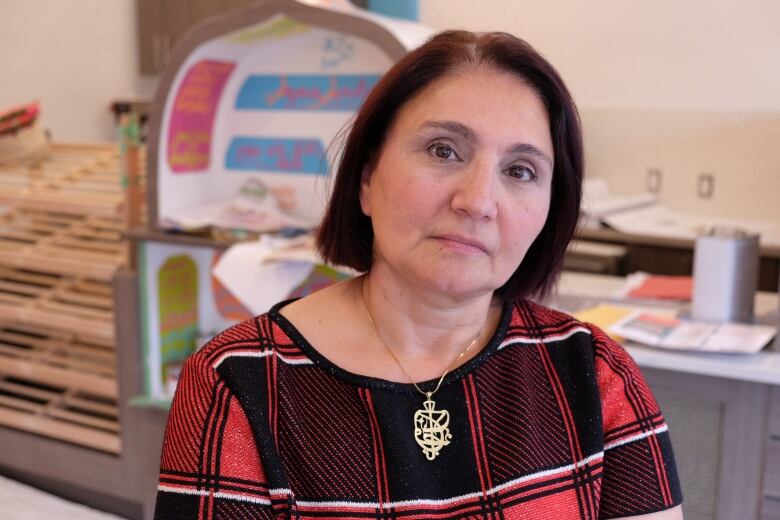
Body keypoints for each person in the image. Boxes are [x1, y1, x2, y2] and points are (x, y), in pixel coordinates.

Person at [154, 30, 683, 519]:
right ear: (366, 177)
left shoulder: (592, 371)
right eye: (443, 151)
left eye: (520, 171)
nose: (477, 201)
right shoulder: (238, 381)